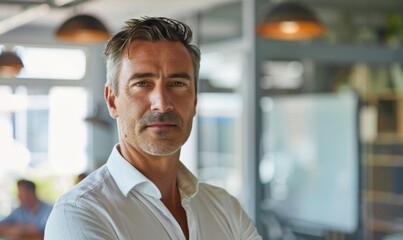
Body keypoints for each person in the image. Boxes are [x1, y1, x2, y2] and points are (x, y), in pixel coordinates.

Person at [45, 16, 262, 239]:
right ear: (112, 101)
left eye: (178, 84)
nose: (162, 103)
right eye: (141, 84)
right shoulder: (80, 213)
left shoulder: (224, 207)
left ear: (194, 101)